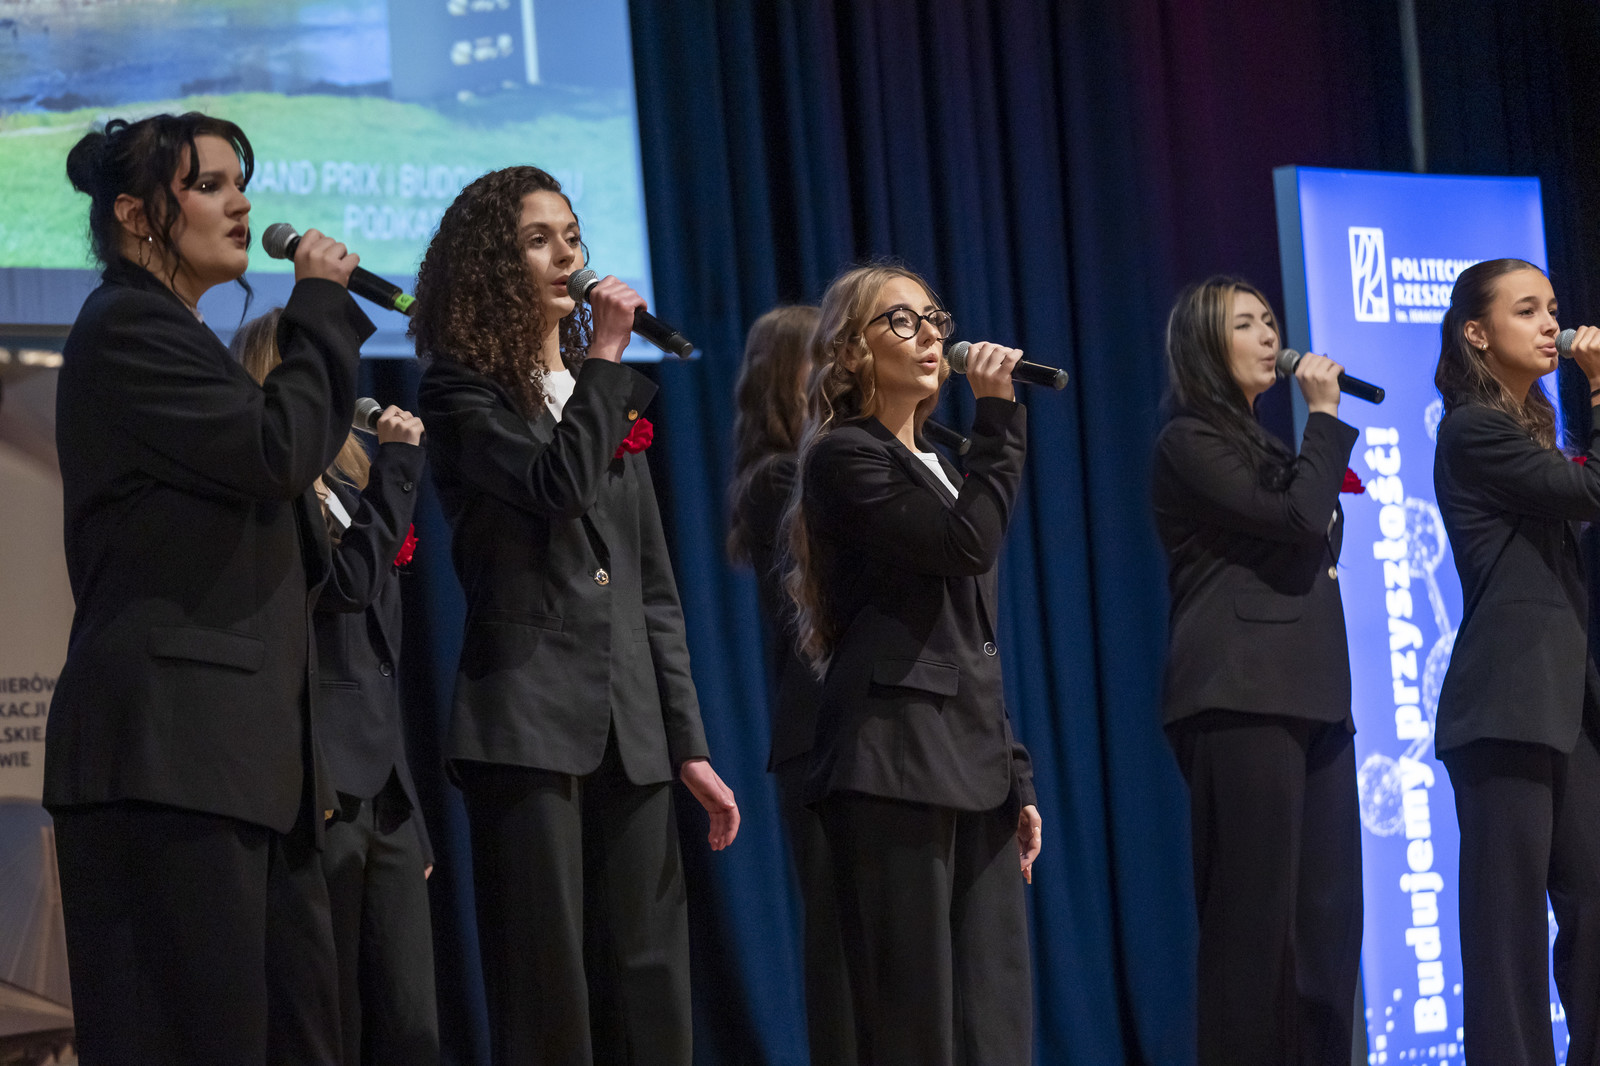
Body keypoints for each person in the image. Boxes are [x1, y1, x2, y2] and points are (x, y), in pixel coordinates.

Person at [48, 111, 366, 1064]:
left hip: (239, 767)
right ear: (135, 214)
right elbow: (278, 449)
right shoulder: (126, 327)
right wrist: (317, 309)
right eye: (211, 185)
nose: (243, 206)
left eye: (242, 184)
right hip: (170, 760)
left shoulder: (180, 336)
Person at [410, 164, 739, 1066]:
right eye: (537, 240)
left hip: (633, 728)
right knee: (546, 988)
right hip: (524, 721)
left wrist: (687, 742)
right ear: (492, 264)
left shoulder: (603, 398)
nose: (568, 255)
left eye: (573, 235)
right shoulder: (462, 392)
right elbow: (554, 485)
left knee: (651, 982)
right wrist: (603, 362)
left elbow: (652, 590)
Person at [782, 264, 1042, 1065]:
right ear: (850, 351)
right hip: (893, 759)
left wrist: (1016, 772)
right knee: (913, 1024)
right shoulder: (843, 457)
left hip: (973, 761)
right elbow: (966, 547)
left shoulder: (945, 462)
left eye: (934, 317)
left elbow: (972, 634)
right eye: (902, 320)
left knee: (993, 1021)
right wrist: (998, 415)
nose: (930, 334)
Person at [1150, 276, 1362, 1064]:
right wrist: (1326, 418)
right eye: (1247, 324)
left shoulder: (1268, 447)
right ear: (1206, 345)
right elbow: (1300, 518)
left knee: (1328, 930)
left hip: (1318, 700)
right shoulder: (1189, 441)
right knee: (1253, 931)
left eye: (1271, 321)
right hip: (1242, 695)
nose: (1271, 335)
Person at [234, 309, 437, 1066]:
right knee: (333, 1018)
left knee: (414, 1017)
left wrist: (408, 802)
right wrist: (398, 469)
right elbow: (347, 586)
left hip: (383, 788)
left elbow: (380, 660)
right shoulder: (275, 487)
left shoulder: (348, 487)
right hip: (320, 784)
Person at [1432, 258, 1600, 1065]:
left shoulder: (1530, 432)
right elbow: (1591, 492)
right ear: (1477, 333)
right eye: (1527, 310)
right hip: (1504, 706)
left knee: (1594, 907)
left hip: (1567, 706)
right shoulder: (1470, 429)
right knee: (1508, 937)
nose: (1551, 324)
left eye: (1553, 308)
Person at [725, 304, 857, 1065]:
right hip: (821, 738)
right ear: (788, 377)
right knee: (841, 948)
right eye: (826, 357)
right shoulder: (778, 477)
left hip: (856, 732)